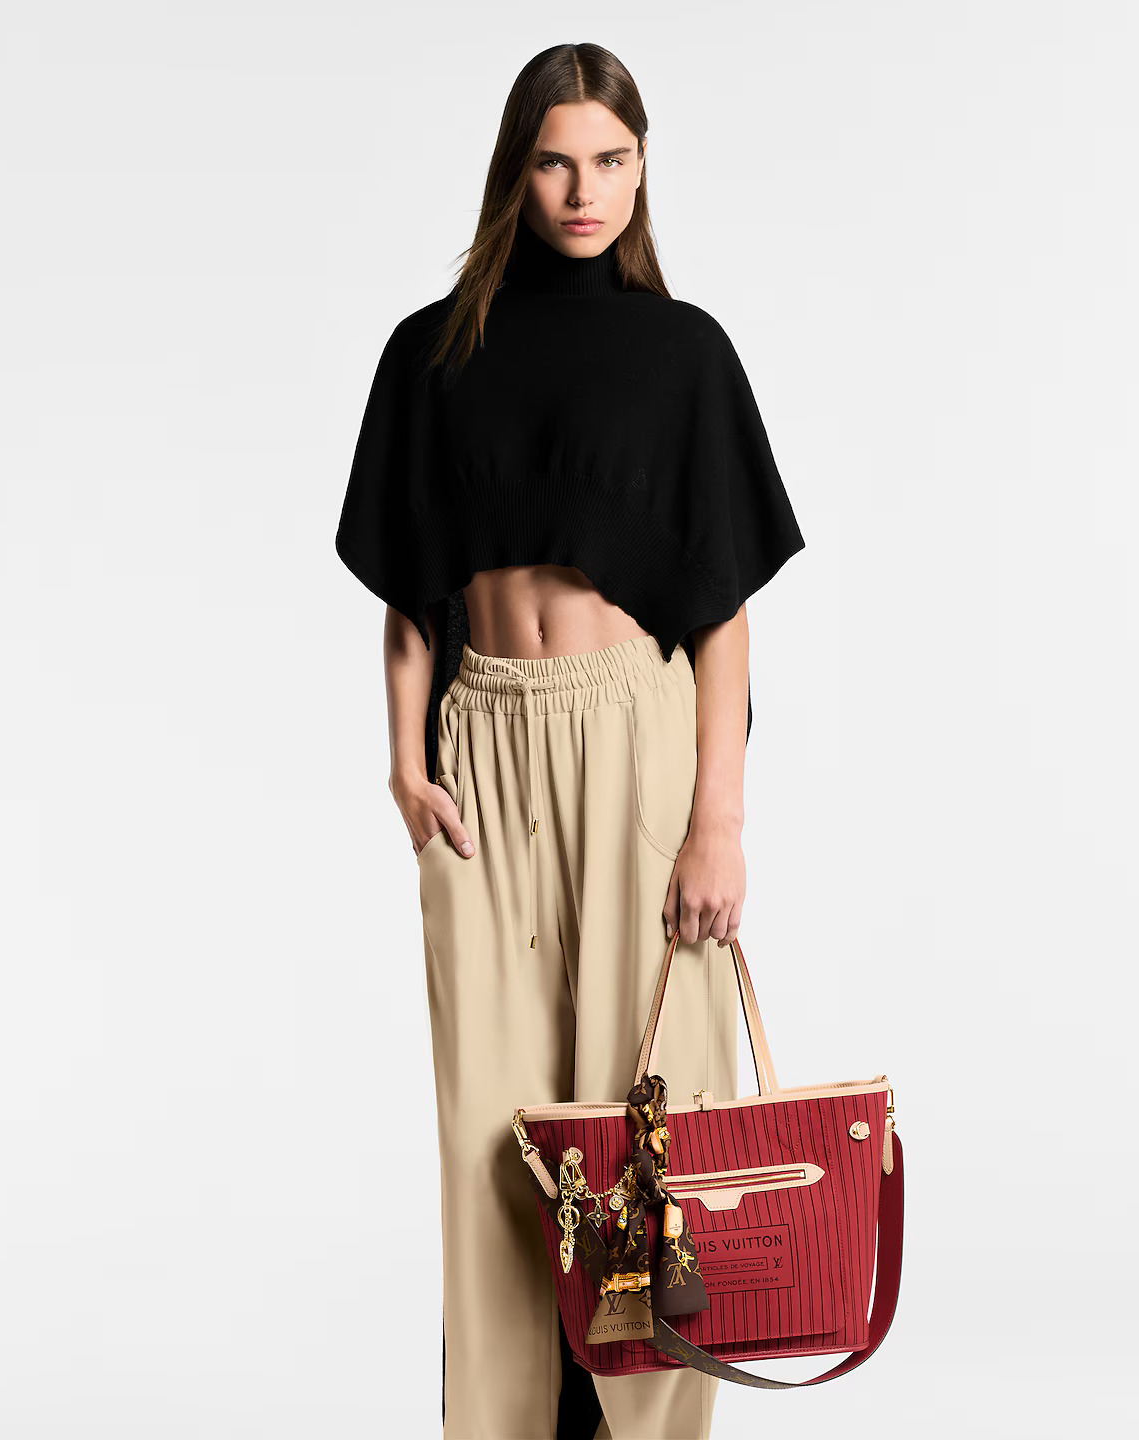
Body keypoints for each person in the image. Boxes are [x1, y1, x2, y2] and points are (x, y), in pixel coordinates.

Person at [334, 42, 804, 1440]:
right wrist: (405, 763)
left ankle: (645, 1427)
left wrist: (718, 821)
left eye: (610, 161)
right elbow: (411, 596)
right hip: (480, 745)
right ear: (515, 170)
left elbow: (720, 614)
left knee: (652, 1121)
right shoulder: (431, 352)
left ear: (643, 168)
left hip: (636, 741)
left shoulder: (684, 354)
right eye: (555, 161)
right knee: (496, 1131)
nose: (583, 190)